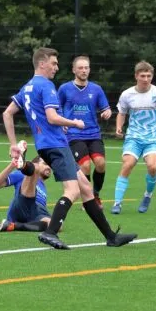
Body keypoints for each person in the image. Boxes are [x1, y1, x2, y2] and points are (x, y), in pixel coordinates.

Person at [2, 47, 137, 250]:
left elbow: (7, 113)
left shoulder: (27, 87)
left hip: (47, 145)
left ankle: (111, 236)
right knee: (72, 190)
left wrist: (13, 144)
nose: (57, 67)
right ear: (41, 63)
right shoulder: (46, 86)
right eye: (54, 63)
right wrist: (74, 123)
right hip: (56, 145)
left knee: (85, 187)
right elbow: (52, 117)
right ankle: (50, 232)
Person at [111, 61, 156, 215]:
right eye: (143, 76)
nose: (146, 79)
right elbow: (122, 113)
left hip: (153, 138)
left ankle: (147, 196)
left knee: (152, 167)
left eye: (149, 76)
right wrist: (119, 127)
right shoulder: (127, 94)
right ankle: (117, 203)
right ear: (136, 76)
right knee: (127, 164)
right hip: (134, 137)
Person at [57, 55, 111, 209]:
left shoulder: (96, 89)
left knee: (100, 164)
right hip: (73, 134)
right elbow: (55, 108)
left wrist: (107, 113)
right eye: (80, 67)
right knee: (85, 166)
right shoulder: (64, 89)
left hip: (93, 133)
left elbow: (105, 108)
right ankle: (88, 200)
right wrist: (62, 123)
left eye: (86, 67)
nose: (84, 70)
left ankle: (95, 194)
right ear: (74, 70)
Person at [0, 145, 52, 233]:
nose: (49, 167)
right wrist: (12, 165)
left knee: (55, 225)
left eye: (50, 165)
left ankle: (13, 226)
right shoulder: (22, 175)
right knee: (35, 170)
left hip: (36, 212)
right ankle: (23, 163)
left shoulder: (43, 186)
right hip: (23, 205)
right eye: (45, 164)